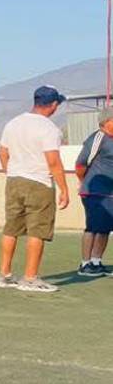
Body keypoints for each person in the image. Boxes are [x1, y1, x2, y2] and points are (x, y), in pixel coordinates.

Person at [0, 86, 70, 293]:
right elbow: (53, 162)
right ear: (54, 105)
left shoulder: (13, 123)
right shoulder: (49, 129)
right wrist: (64, 189)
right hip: (39, 182)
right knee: (37, 230)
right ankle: (29, 278)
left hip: (14, 181)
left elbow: (2, 153)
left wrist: (11, 172)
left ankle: (4, 274)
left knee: (11, 228)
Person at [75, 109, 113, 276]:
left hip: (110, 193)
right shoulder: (98, 138)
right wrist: (86, 183)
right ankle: (85, 264)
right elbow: (81, 164)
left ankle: (96, 262)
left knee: (105, 228)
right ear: (107, 121)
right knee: (93, 227)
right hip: (95, 192)